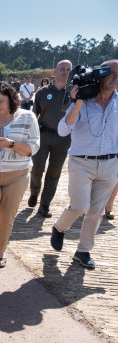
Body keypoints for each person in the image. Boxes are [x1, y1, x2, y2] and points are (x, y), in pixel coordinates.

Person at [51, 59, 118, 269]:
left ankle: (83, 250)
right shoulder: (83, 101)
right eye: (112, 73)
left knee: (96, 211)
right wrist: (77, 102)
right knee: (80, 206)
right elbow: (63, 130)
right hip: (81, 162)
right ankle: (60, 228)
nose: (116, 78)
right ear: (101, 74)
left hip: (110, 163)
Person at [0, 83, 40, 282]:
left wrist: (9, 144)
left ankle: (0, 252)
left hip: (18, 175)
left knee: (6, 219)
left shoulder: (27, 117)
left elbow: (34, 147)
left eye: (0, 101)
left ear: (11, 99)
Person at [29, 60, 73, 218]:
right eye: (62, 69)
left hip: (63, 138)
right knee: (37, 168)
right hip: (43, 135)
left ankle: (45, 204)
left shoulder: (73, 93)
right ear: (55, 70)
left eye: (69, 69)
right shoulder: (43, 91)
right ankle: (34, 192)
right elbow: (35, 115)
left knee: (54, 172)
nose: (65, 72)